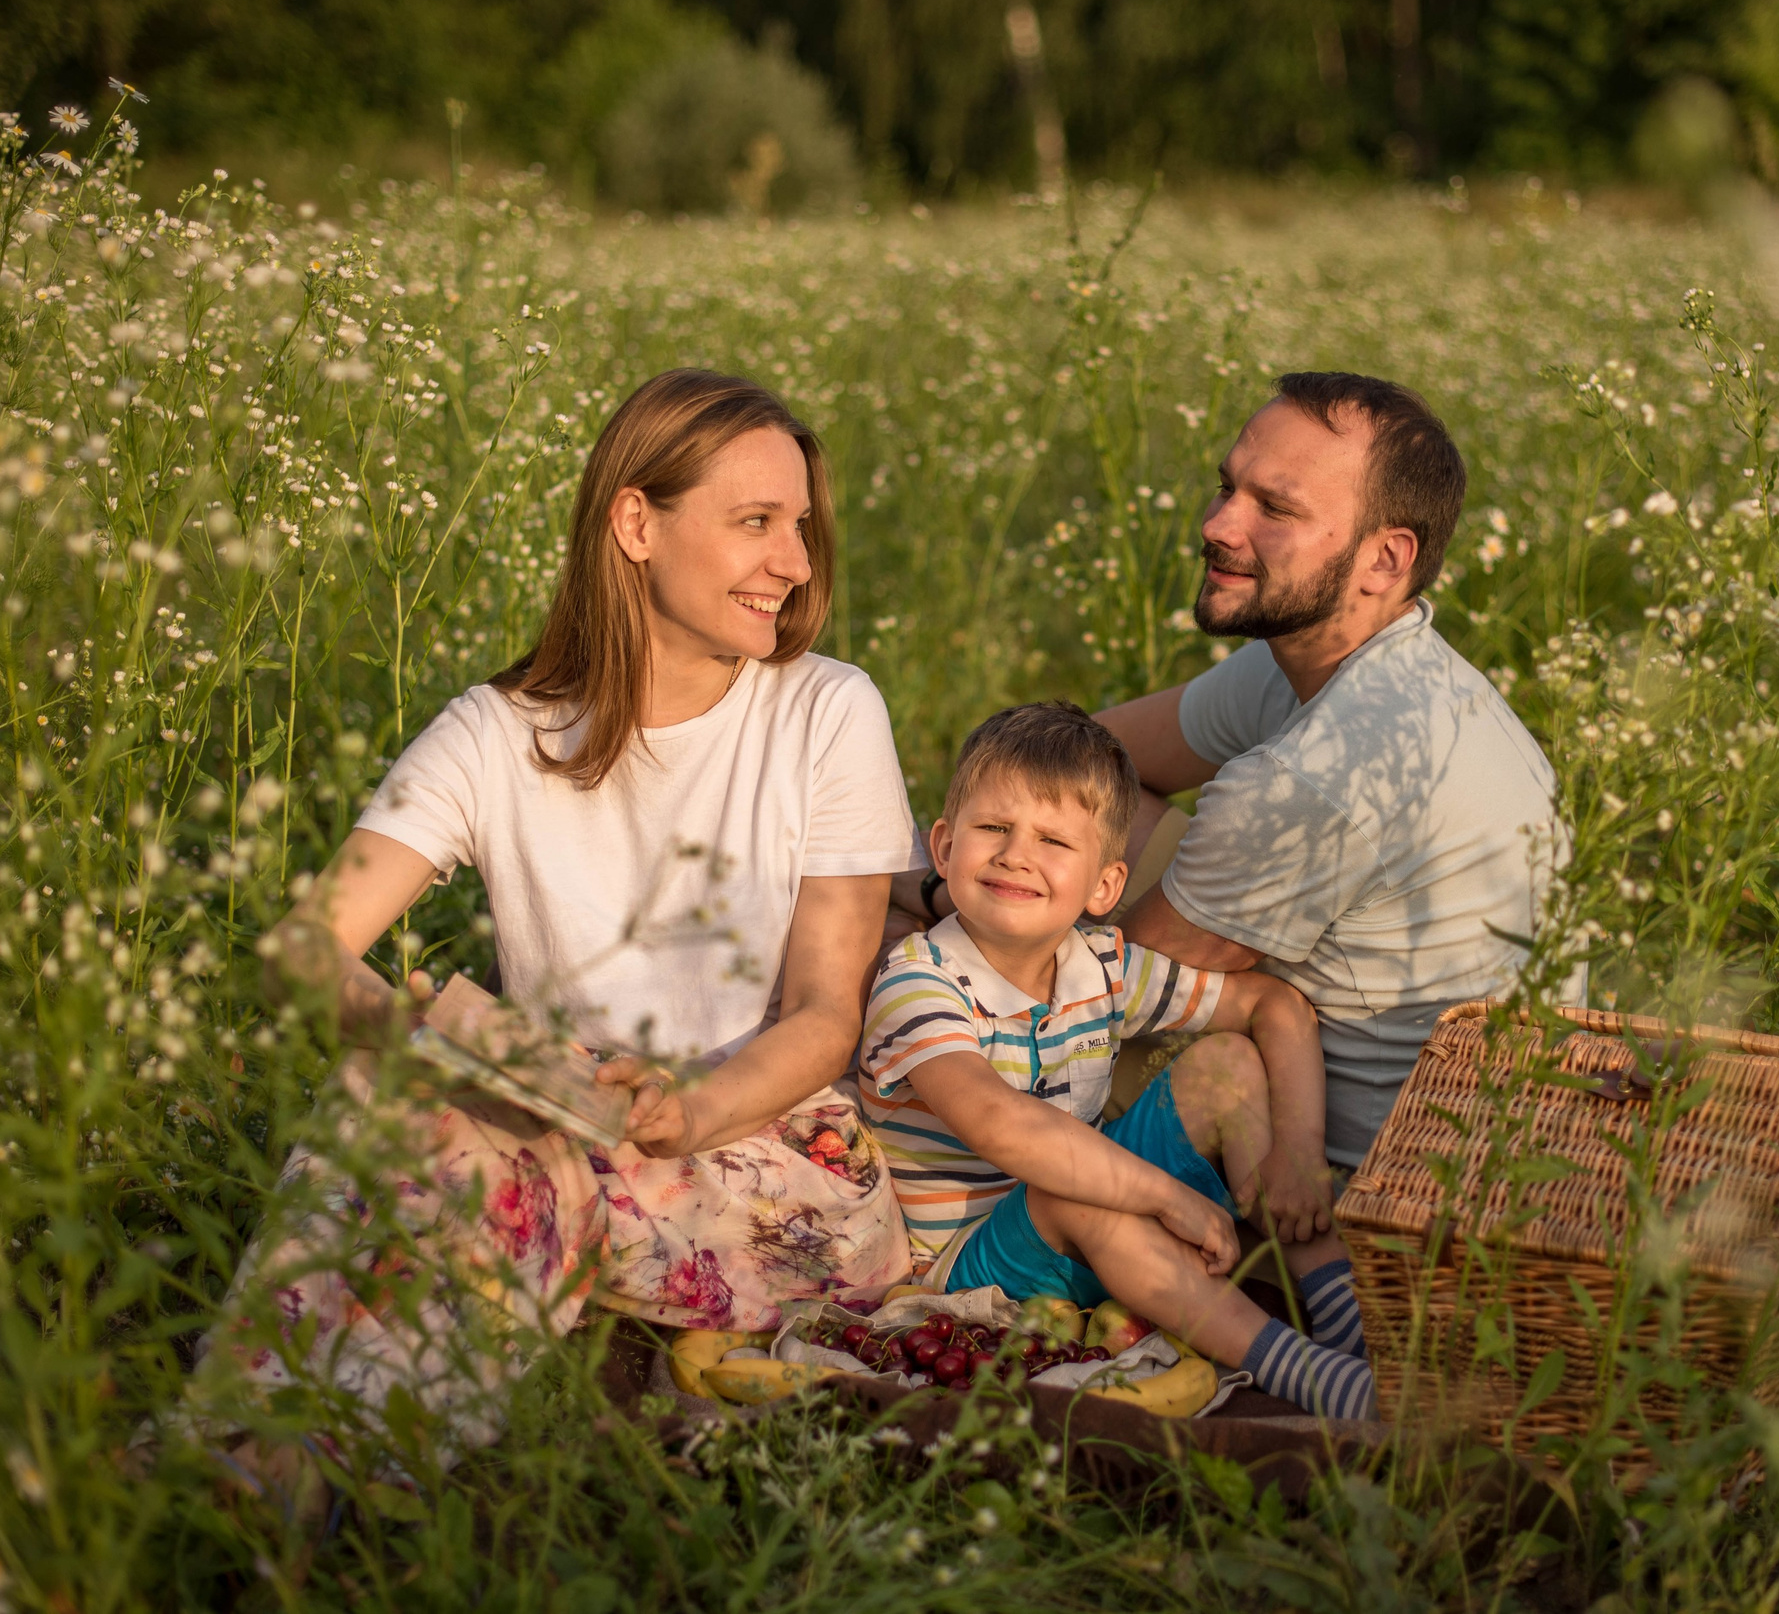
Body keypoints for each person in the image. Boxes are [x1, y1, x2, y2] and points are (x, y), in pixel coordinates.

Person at [200, 370, 922, 1477]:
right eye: (756, 523)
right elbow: (305, 947)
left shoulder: (828, 709)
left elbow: (829, 1014)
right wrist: (408, 1041)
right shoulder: (497, 731)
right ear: (636, 521)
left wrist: (686, 1110)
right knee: (379, 1099)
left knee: (518, 1165)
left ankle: (317, 1474)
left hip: (775, 1155)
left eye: (800, 527)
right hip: (554, 1116)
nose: (796, 561)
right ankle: (233, 1455)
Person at [1092, 371, 1573, 1173]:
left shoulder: (1314, 774)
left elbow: (1085, 993)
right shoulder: (1355, 662)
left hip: (1366, 1204)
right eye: (1225, 487)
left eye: (1274, 509)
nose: (1217, 524)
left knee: (941, 990)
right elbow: (1077, 754)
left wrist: (929, 902)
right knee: (1066, 808)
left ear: (1384, 559)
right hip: (1498, 1143)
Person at [860, 703, 1376, 1421]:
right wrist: (1165, 1196)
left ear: (1104, 887)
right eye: (994, 828)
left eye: (1052, 840)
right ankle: (1307, 1372)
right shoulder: (920, 977)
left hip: (1083, 1213)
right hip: (965, 1267)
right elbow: (1002, 1122)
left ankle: (1344, 1311)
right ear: (943, 848)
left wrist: (1299, 1152)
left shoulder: (1100, 962)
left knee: (1225, 1061)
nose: (1016, 854)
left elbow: (1275, 1006)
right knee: (1072, 1184)